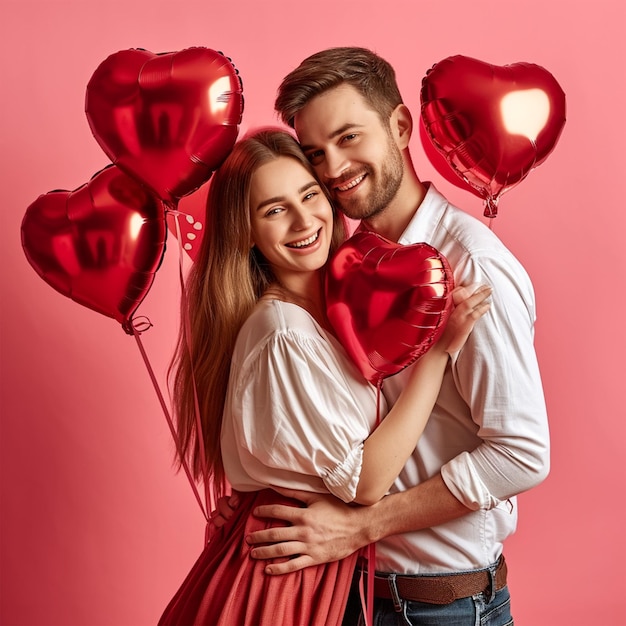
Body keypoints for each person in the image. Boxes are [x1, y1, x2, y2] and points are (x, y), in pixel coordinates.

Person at [241, 48, 551, 625]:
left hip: (444, 607)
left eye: (349, 136)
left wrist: (364, 525)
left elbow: (523, 454)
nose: (333, 168)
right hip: (347, 595)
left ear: (400, 126)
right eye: (316, 153)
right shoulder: (341, 264)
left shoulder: (473, 268)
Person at [158, 128, 491, 625]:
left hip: (315, 572)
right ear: (244, 231)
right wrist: (439, 354)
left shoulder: (329, 310)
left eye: (309, 194)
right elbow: (367, 482)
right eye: (273, 210)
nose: (302, 219)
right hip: (278, 582)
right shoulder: (282, 331)